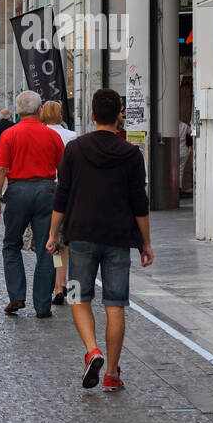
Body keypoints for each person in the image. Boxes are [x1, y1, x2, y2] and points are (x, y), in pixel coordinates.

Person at [46, 88, 153, 391]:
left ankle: (92, 350)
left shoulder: (75, 150)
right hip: (118, 238)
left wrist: (54, 234)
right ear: (120, 115)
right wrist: (145, 242)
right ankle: (112, 374)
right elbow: (139, 202)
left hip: (80, 236)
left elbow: (62, 196)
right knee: (115, 304)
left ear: (92, 115)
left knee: (78, 296)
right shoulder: (132, 154)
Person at [0, 92, 65, 317]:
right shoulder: (52, 135)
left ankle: (17, 296)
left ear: (18, 111)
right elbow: (65, 170)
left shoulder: (9, 134)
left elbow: (1, 169)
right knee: (48, 247)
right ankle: (42, 305)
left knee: (11, 244)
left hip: (18, 191)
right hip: (46, 191)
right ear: (39, 110)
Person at [40, 100, 79, 306]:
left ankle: (56, 286)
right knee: (64, 243)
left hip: (44, 189)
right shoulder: (72, 136)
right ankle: (61, 284)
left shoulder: (39, 134)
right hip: (66, 191)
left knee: (51, 239)